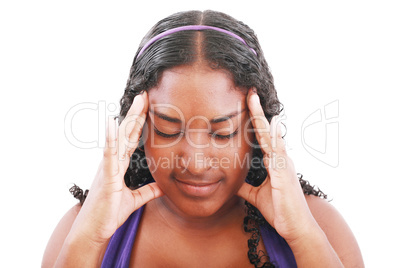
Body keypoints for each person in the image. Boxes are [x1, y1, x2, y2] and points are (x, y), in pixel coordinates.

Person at [42, 10, 364, 267]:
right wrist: (89, 240)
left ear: (256, 129)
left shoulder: (321, 229)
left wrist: (303, 236)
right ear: (138, 127)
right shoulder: (80, 231)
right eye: (168, 128)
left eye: (222, 133)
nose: (195, 162)